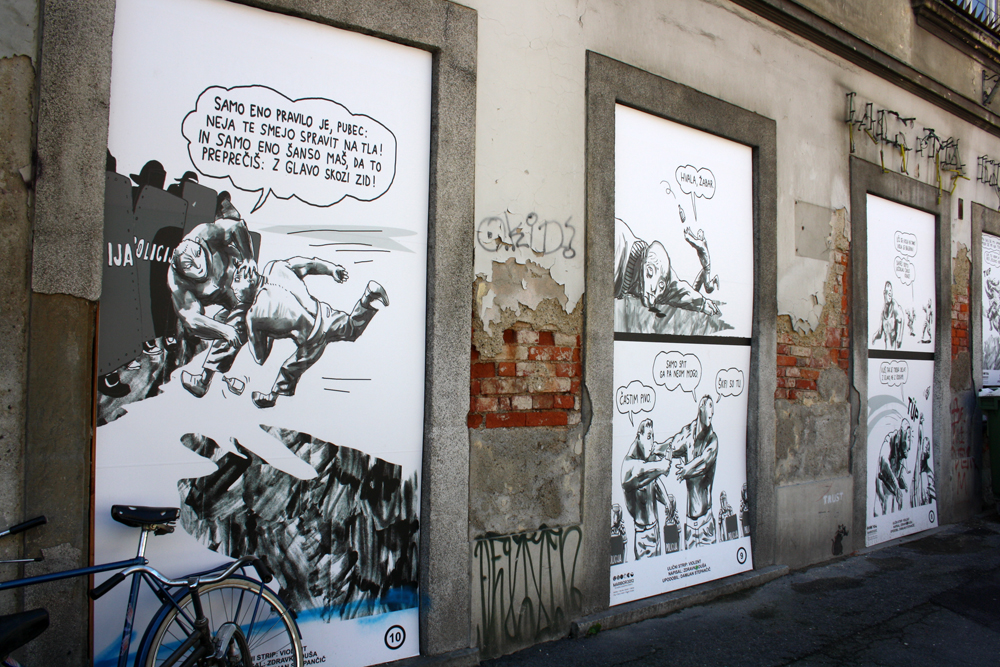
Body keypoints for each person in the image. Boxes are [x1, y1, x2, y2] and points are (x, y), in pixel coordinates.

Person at [229, 257, 388, 408]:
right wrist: (331, 269)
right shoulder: (276, 266)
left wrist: (263, 332)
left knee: (288, 370)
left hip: (312, 338)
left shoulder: (254, 315)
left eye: (235, 281)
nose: (233, 289)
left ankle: (273, 397)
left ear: (249, 283)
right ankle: (368, 296)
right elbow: (310, 264)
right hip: (324, 312)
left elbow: (260, 357)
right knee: (351, 329)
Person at [168, 193, 256, 397]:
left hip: (235, 277)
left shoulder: (205, 233)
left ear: (202, 250)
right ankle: (205, 380)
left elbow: (236, 225)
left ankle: (209, 379)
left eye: (200, 264)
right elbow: (191, 319)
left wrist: (248, 258)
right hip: (221, 295)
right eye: (191, 271)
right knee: (231, 326)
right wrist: (223, 330)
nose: (199, 271)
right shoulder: (177, 282)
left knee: (243, 318)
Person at [614, 219, 719, 316]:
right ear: (648, 271)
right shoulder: (617, 245)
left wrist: (703, 304)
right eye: (653, 292)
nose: (652, 301)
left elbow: (676, 289)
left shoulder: (656, 267)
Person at [661, 396, 719, 548]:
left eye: (713, 410)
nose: (712, 413)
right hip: (690, 525)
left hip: (706, 521)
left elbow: (704, 462)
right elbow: (671, 446)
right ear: (701, 407)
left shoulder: (712, 439)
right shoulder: (687, 434)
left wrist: (687, 469)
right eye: (709, 407)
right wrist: (655, 449)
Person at [620, 419, 677, 559]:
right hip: (643, 534)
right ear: (639, 436)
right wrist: (662, 466)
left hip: (655, 529)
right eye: (649, 437)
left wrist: (666, 501)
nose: (651, 443)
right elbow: (641, 472)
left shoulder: (647, 456)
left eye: (653, 437)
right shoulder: (629, 465)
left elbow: (653, 482)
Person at [874, 418, 911, 516]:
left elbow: (899, 472)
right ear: (902, 433)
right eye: (908, 437)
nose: (909, 443)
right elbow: (884, 463)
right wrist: (896, 486)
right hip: (884, 486)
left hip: (892, 488)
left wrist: (902, 484)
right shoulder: (890, 439)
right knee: (887, 506)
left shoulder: (902, 449)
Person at [683, 227, 720, 294]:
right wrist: (690, 232)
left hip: (706, 269)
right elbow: (695, 239)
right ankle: (694, 293)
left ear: (702, 236)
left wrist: (686, 237)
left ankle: (714, 280)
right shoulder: (702, 241)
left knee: (708, 289)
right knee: (695, 287)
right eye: (698, 236)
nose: (698, 237)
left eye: (699, 236)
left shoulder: (701, 245)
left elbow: (694, 243)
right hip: (704, 268)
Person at [871, 280, 903, 350]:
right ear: (884, 293)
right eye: (887, 292)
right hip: (886, 350)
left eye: (891, 291)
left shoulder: (895, 306)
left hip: (894, 350)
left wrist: (900, 337)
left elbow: (901, 318)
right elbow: (880, 332)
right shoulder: (883, 311)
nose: (890, 294)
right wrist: (874, 337)